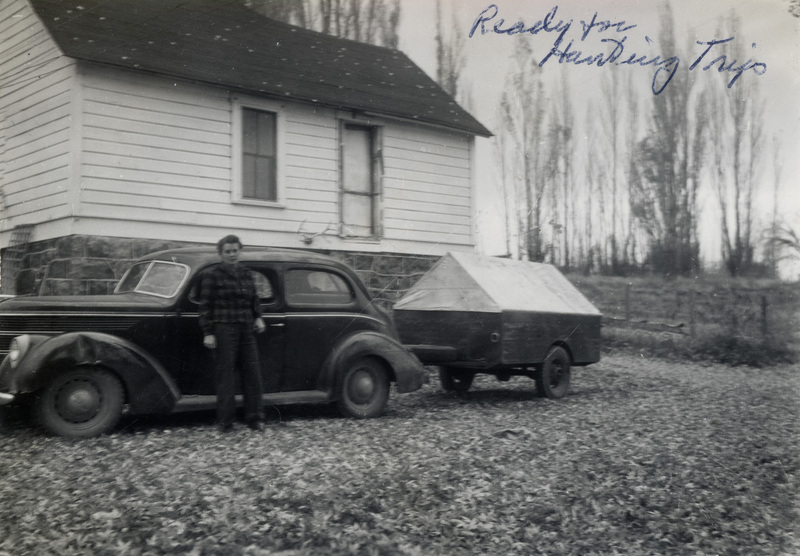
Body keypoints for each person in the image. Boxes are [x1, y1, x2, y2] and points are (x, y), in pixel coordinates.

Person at [198, 234, 266, 432]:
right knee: (225, 375)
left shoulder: (246, 273)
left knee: (252, 373)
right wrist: (208, 332)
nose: (232, 254)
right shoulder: (212, 275)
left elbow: (254, 299)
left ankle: (254, 418)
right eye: (227, 251)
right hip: (223, 328)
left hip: (246, 328)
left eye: (235, 250)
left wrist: (258, 316)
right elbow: (205, 306)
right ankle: (226, 422)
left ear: (239, 251)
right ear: (220, 253)